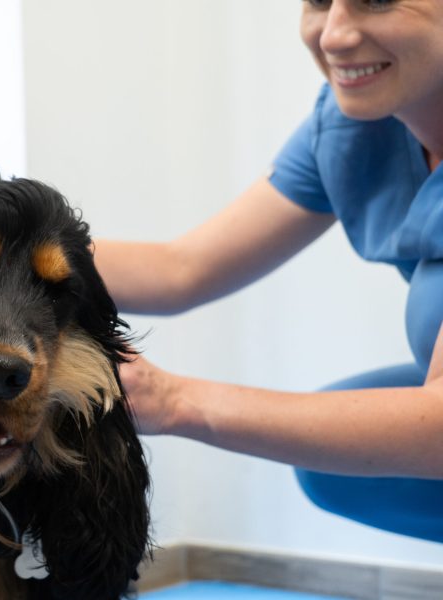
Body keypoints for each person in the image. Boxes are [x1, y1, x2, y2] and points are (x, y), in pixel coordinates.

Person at [92, 0, 443, 543]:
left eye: (375, 0)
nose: (333, 36)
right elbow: (180, 268)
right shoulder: (360, 124)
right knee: (331, 459)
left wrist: (174, 401)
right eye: (319, 2)